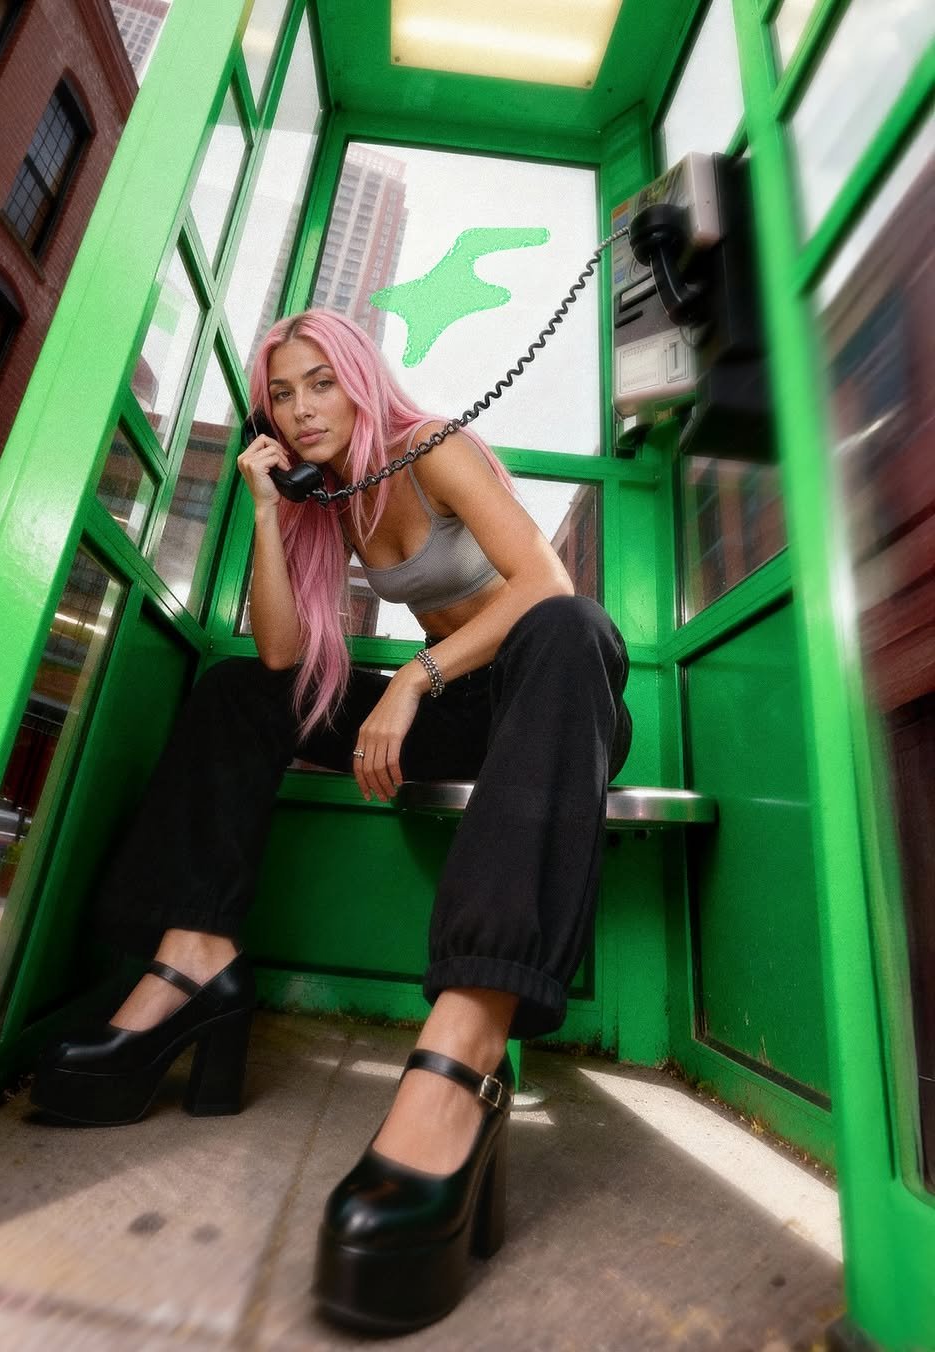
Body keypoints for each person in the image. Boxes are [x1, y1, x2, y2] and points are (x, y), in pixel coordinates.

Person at [32, 309, 632, 1334]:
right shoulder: (333, 498)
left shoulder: (428, 448)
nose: (302, 411)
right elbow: (279, 656)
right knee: (235, 692)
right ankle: (195, 952)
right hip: (452, 706)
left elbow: (546, 582)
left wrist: (411, 684)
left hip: (546, 692)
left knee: (570, 625)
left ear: (359, 382)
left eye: (321, 385)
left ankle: (468, 1034)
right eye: (282, 396)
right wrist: (270, 510)